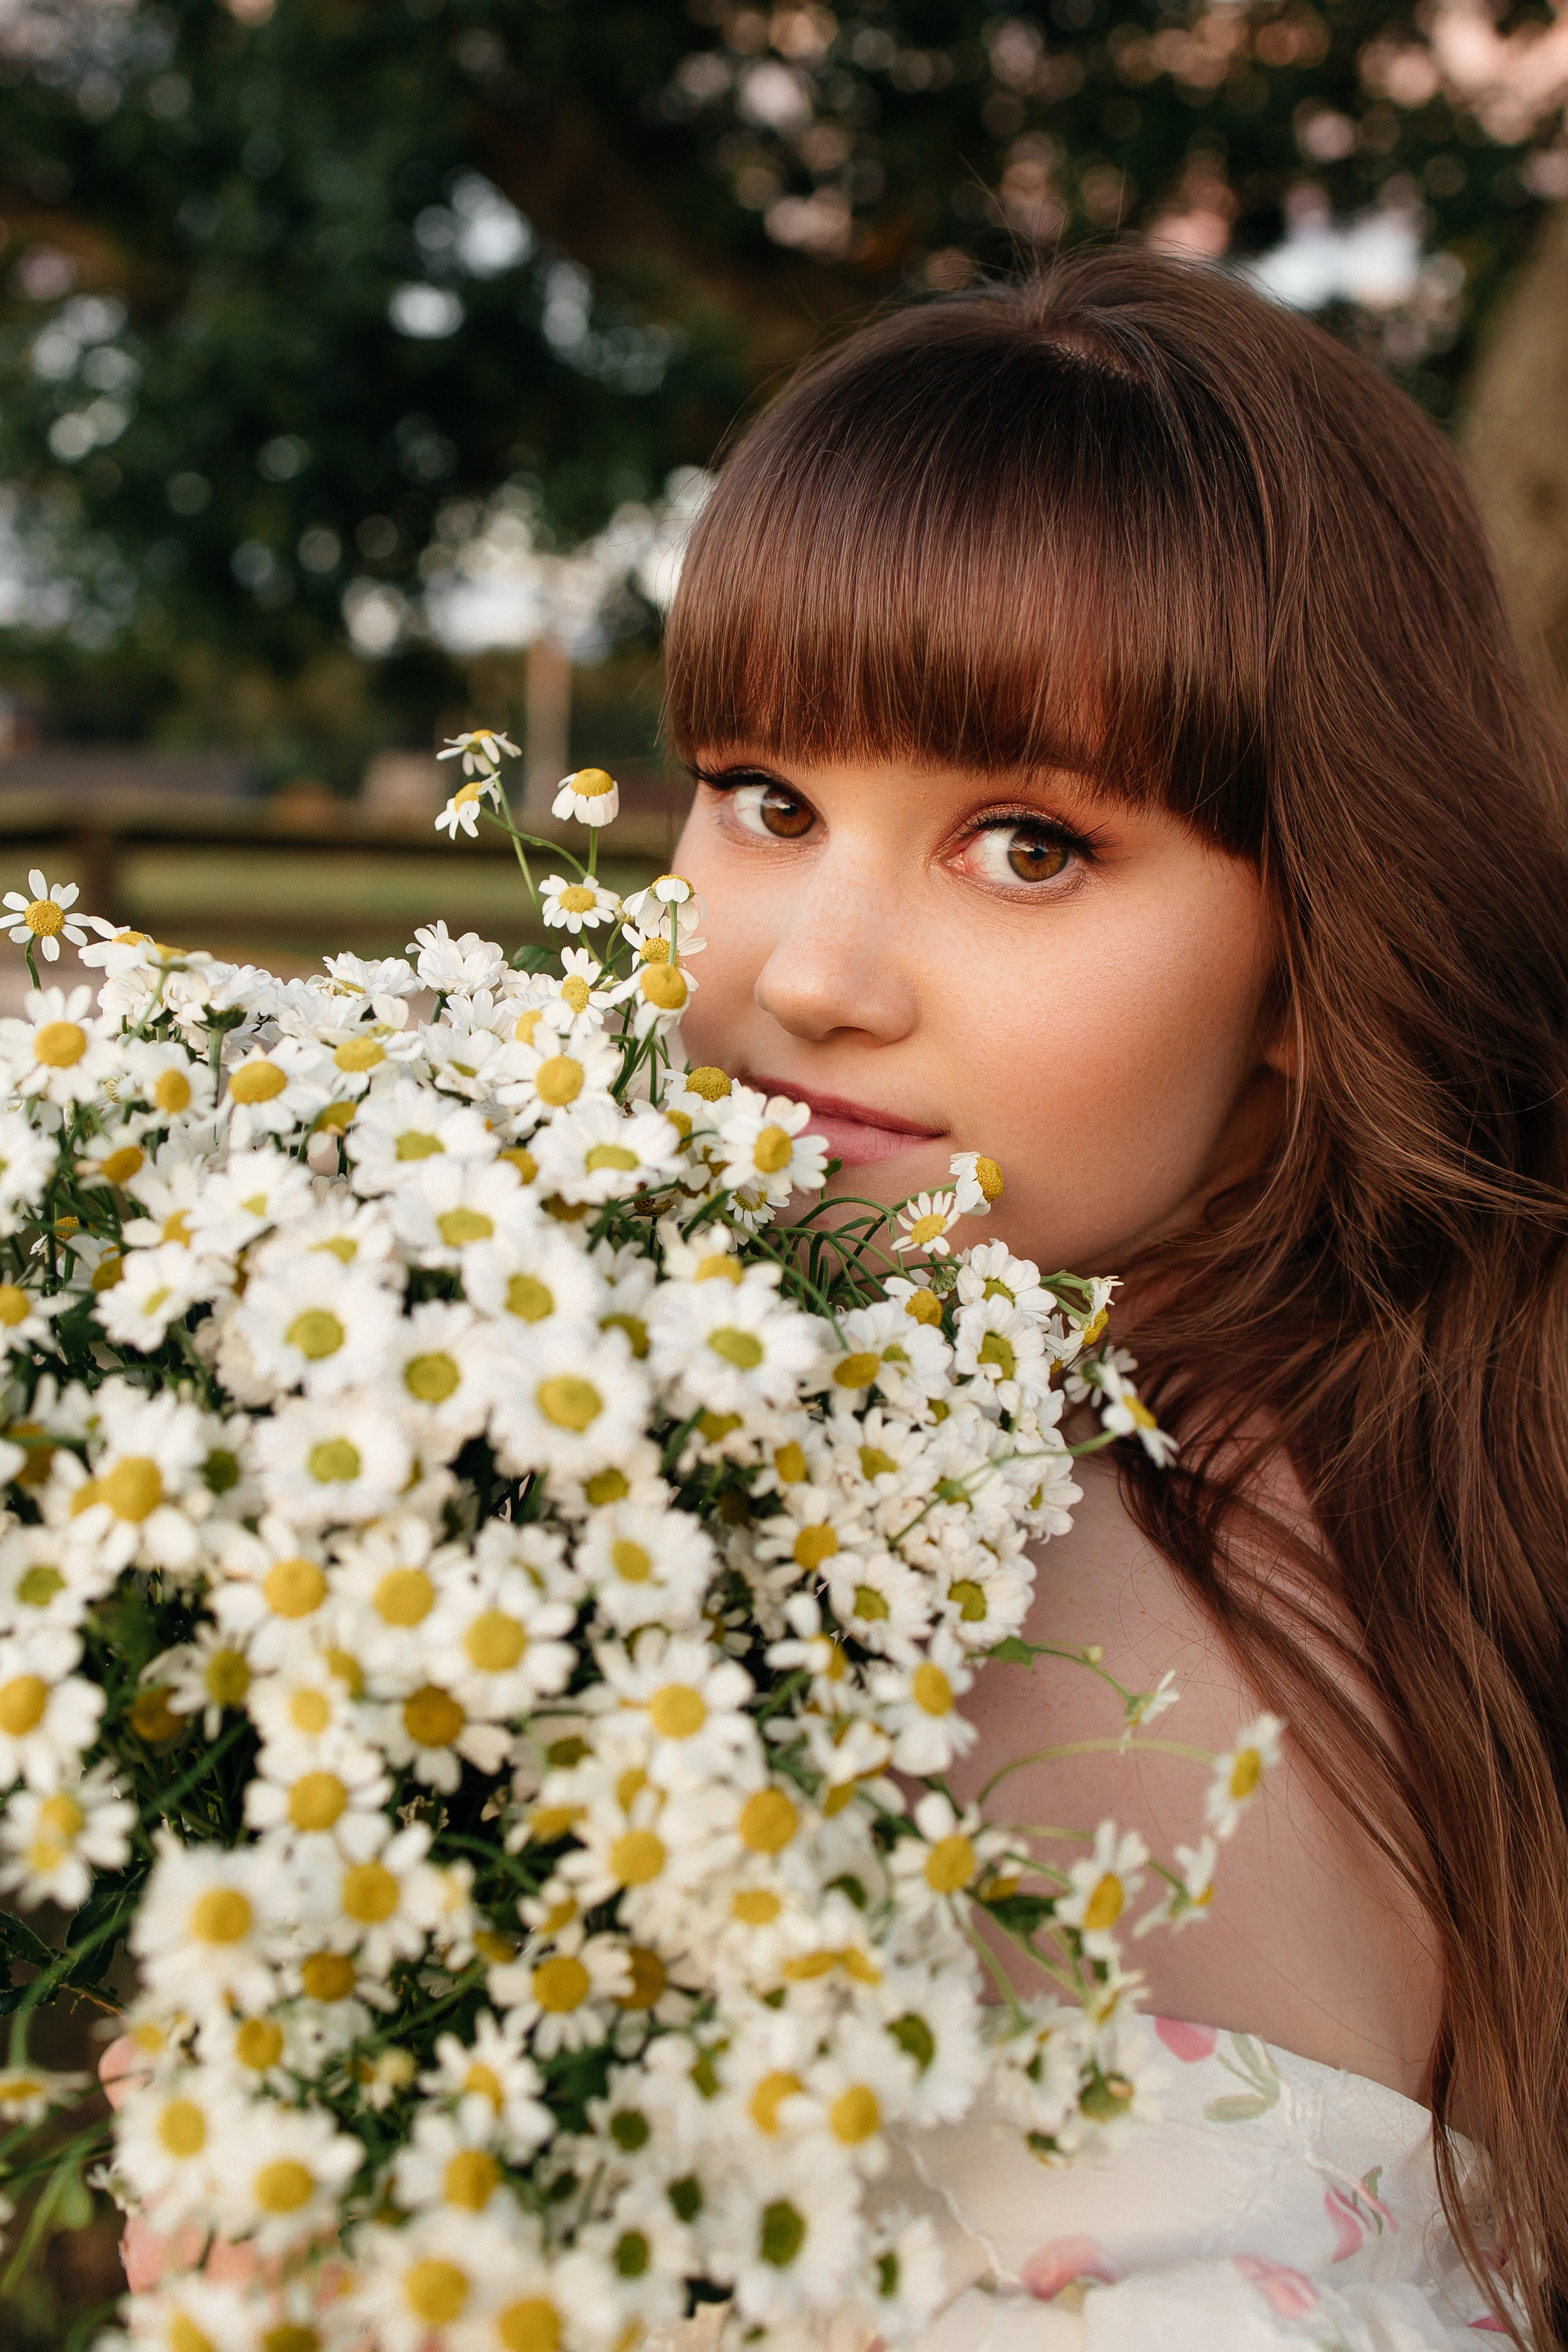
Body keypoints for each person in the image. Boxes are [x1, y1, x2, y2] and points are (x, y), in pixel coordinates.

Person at [661, 251, 1568, 2349]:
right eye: (765, 796)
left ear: (1319, 942)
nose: (808, 969)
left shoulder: (996, 1561)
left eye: (1028, 844)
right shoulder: (1427, 1456)